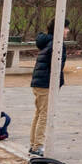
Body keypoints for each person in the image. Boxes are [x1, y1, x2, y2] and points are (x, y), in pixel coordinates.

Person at [29, 19, 70, 156]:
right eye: (65, 27)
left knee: (39, 114)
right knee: (44, 115)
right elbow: (56, 66)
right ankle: (37, 146)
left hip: (39, 82)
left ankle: (34, 144)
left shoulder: (47, 42)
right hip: (46, 83)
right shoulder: (57, 44)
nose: (68, 30)